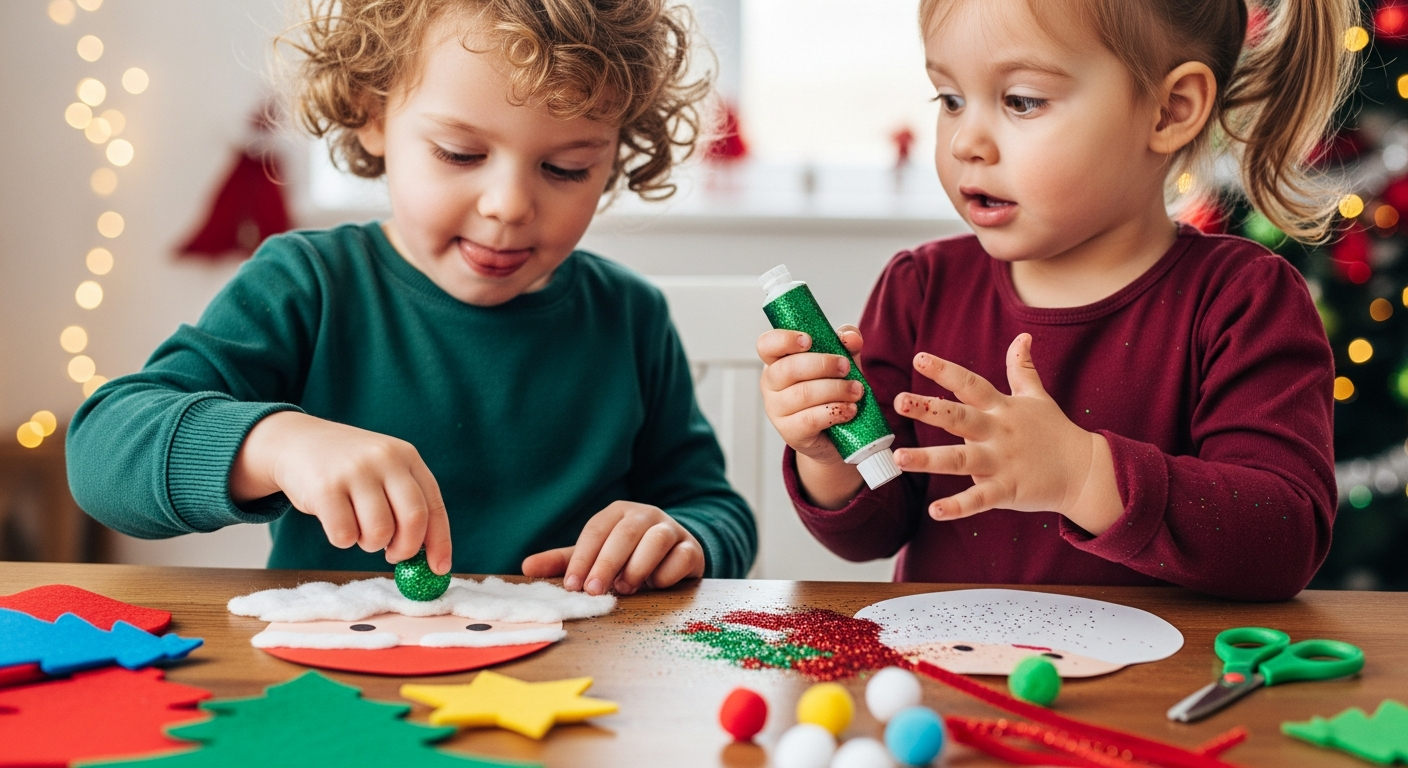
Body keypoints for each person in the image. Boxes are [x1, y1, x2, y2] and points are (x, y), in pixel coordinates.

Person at [67, 0, 755, 596]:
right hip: (341, 690)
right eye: (460, 153)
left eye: (566, 168)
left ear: (615, 154)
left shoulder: (629, 318)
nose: (510, 205)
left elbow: (714, 509)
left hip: (576, 697)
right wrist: (275, 444)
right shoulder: (307, 285)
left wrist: (682, 536)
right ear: (373, 114)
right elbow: (101, 453)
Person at [758, 0, 1357, 601]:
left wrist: (1083, 475)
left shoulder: (1244, 299)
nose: (967, 141)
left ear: (1170, 110)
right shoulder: (920, 287)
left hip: (1160, 692)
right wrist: (831, 455)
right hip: (951, 684)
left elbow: (1284, 542)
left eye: (1021, 100)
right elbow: (872, 534)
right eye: (949, 99)